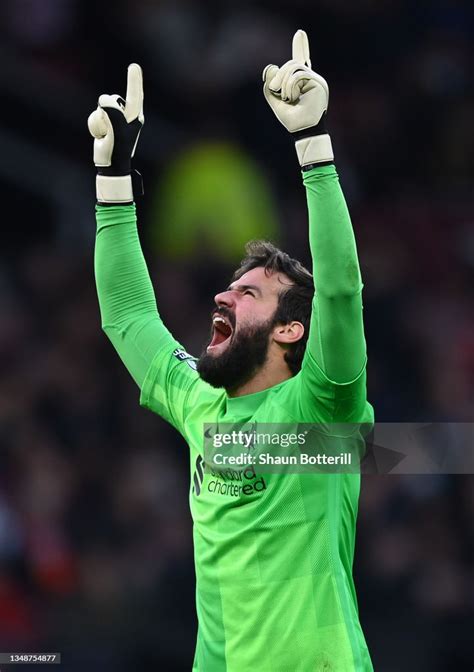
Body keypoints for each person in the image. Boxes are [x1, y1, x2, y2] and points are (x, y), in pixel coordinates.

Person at [89, 29, 374, 672]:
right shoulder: (198, 401)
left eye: (249, 293)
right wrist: (113, 181)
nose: (223, 295)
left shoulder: (322, 407)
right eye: (230, 285)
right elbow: (128, 315)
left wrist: (313, 146)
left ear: (289, 331)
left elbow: (341, 291)